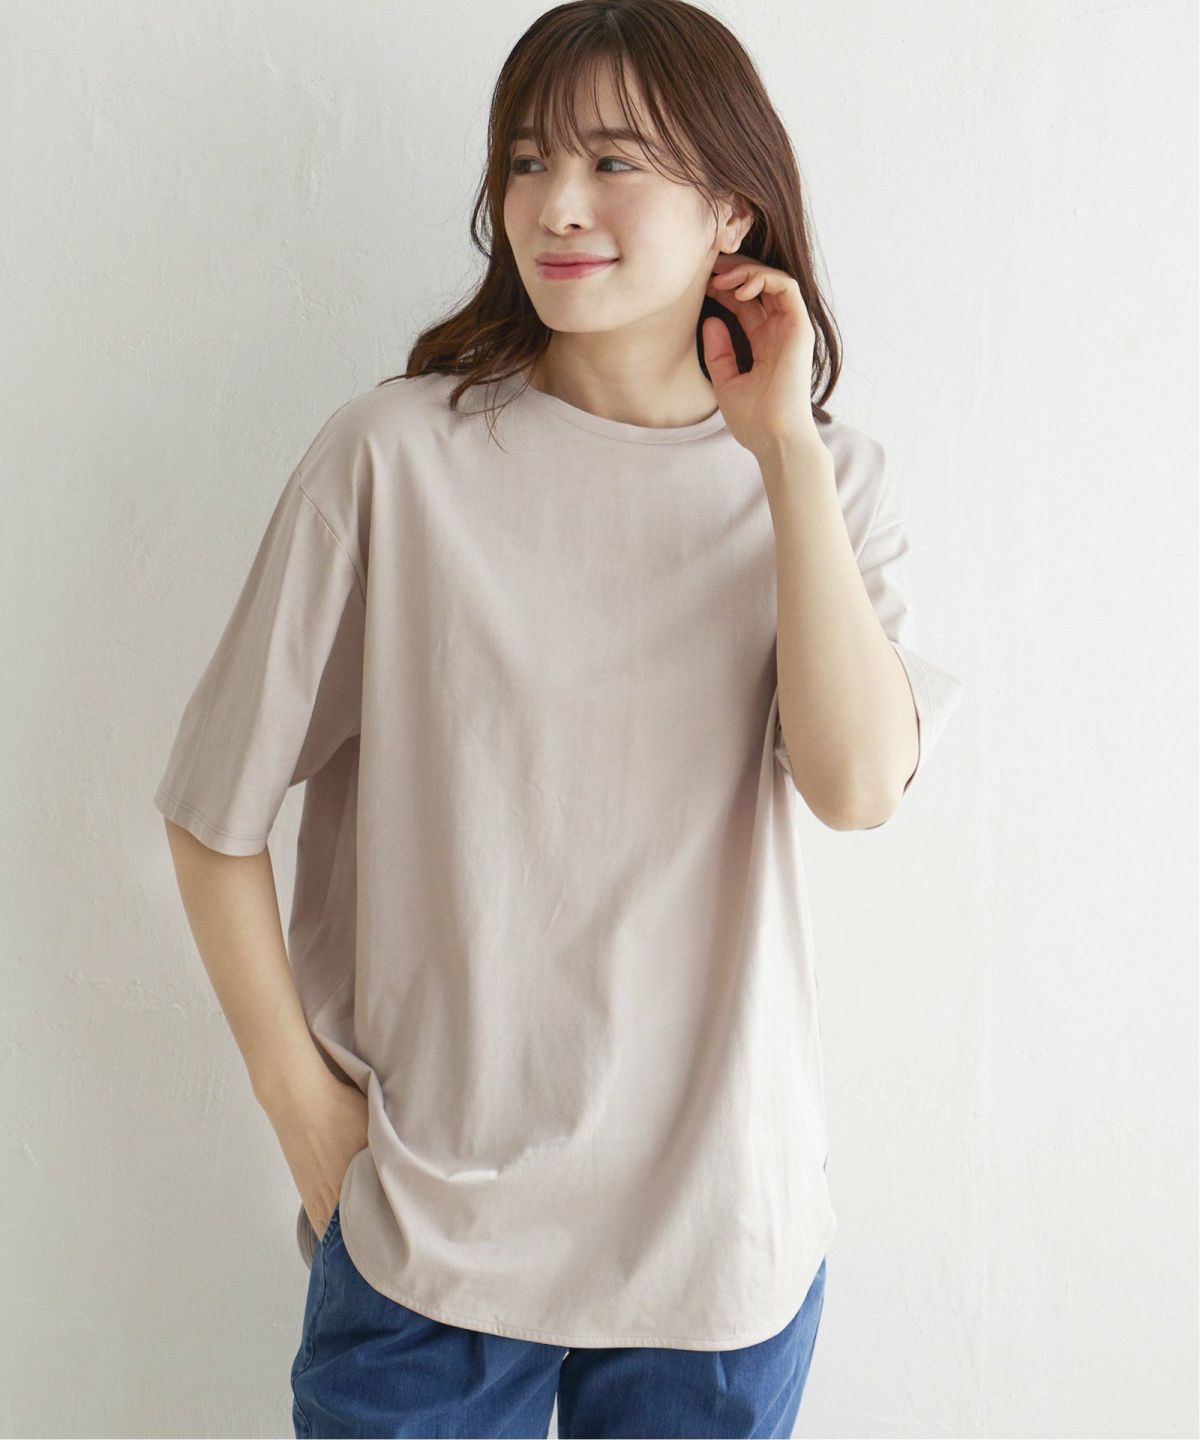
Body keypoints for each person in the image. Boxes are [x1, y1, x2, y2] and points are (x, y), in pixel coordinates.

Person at [154, 2, 964, 1436]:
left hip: (720, 1256)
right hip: (429, 1246)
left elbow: (855, 788)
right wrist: (306, 1115)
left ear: (732, 209)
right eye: (527, 161)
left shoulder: (829, 482)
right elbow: (211, 813)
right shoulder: (392, 458)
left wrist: (781, 451)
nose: (555, 205)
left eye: (613, 161)